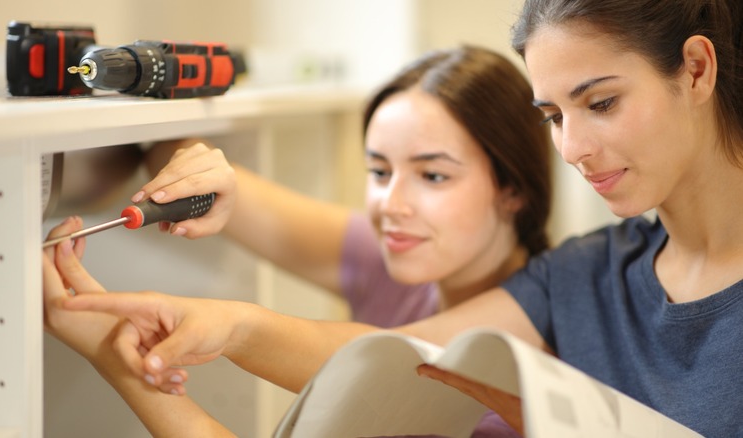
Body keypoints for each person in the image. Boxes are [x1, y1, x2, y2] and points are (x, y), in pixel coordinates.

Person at [47, 0, 743, 435]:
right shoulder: (583, 276)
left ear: (696, 69)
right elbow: (400, 359)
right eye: (555, 116)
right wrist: (222, 324)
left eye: (602, 102)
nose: (574, 149)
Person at [44, 45, 552, 437]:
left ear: (513, 189)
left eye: (433, 177)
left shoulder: (531, 378)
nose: (391, 205)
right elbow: (166, 157)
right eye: (379, 170)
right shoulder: (394, 256)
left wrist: (114, 353)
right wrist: (211, 175)